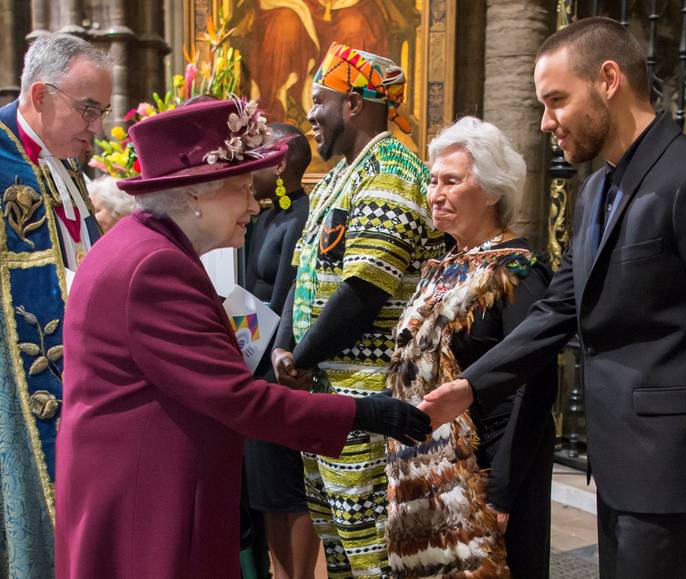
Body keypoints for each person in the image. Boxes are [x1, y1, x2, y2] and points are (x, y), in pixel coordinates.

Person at [420, 17, 686, 579]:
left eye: (556, 101)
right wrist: (471, 387)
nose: (546, 123)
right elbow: (557, 310)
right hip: (617, 459)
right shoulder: (595, 190)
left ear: (609, 79)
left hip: (672, 457)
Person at [53, 98, 431, 579]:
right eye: (242, 190)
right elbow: (236, 397)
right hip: (147, 499)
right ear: (195, 195)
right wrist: (365, 412)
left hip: (137, 481)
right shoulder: (154, 266)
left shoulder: (142, 244)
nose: (256, 204)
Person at [270, 42, 444, 578]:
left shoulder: (390, 169)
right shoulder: (341, 177)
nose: (311, 115)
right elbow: (304, 280)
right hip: (329, 398)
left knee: (375, 557)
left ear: (354, 104)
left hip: (369, 399)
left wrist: (297, 357)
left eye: (319, 100)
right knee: (341, 550)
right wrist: (282, 346)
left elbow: (364, 292)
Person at [385, 116, 556, 578]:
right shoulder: (443, 266)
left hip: (485, 472)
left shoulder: (519, 270)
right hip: (423, 473)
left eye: (452, 181)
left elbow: (535, 385)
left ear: (494, 191)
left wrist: (502, 490)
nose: (436, 194)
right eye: (433, 181)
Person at [0, 33, 109, 578]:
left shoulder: (60, 164)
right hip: (17, 390)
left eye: (101, 111)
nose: (96, 127)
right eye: (88, 109)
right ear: (41, 95)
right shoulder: (3, 161)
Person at [241, 123, 320, 579]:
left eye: (260, 154)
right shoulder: (268, 213)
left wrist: (256, 354)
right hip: (253, 358)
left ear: (281, 161)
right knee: (264, 486)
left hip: (277, 364)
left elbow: (289, 296)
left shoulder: (302, 215)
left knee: (288, 486)